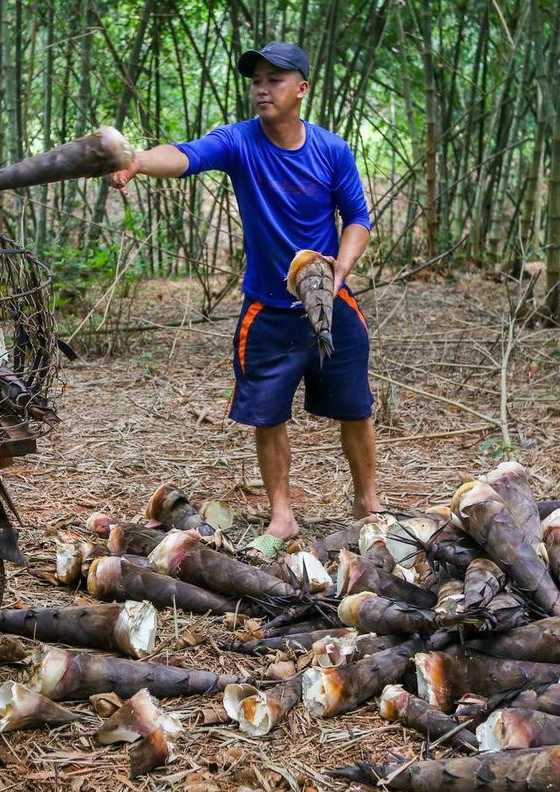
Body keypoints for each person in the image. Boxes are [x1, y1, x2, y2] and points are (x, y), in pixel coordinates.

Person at [109, 41, 376, 540]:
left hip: (329, 300)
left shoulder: (332, 150)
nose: (262, 88)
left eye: (275, 79)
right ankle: (283, 514)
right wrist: (140, 161)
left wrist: (340, 267)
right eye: (256, 79)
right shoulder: (239, 142)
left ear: (301, 89)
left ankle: (368, 504)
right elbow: (187, 155)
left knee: (355, 407)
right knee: (268, 415)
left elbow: (358, 218)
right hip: (267, 311)